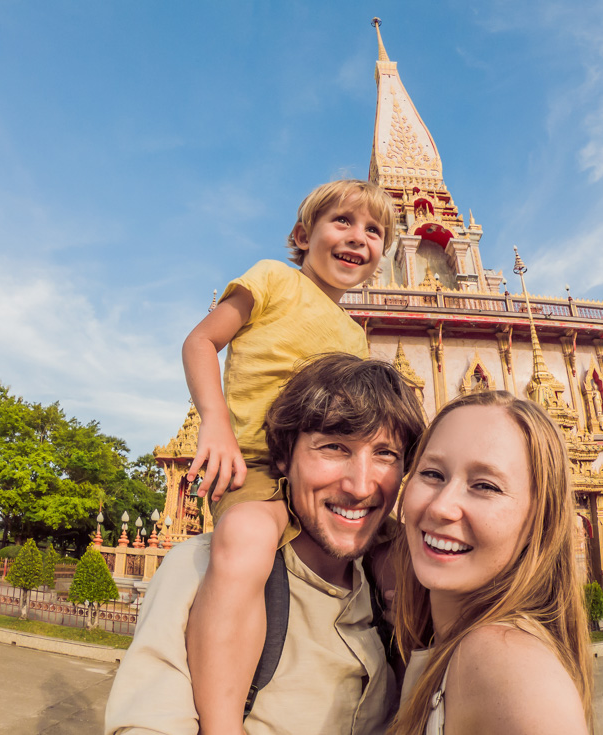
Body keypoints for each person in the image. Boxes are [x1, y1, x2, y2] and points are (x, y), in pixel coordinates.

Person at [105, 354, 426, 735]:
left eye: (385, 454)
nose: (359, 486)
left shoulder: (394, 590)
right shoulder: (203, 570)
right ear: (283, 457)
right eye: (334, 448)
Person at [180, 179, 397, 733]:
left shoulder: (354, 336)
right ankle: (222, 722)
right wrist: (216, 423)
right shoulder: (273, 278)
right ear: (303, 235)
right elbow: (201, 342)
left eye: (374, 231)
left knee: (405, 554)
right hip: (253, 465)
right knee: (246, 542)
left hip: (323, 479)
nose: (358, 238)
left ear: (381, 258)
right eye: (342, 222)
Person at [389, 390, 594, 735]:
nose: (441, 507)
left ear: (538, 522)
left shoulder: (508, 664)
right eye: (432, 474)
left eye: (485, 486)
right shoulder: (441, 643)